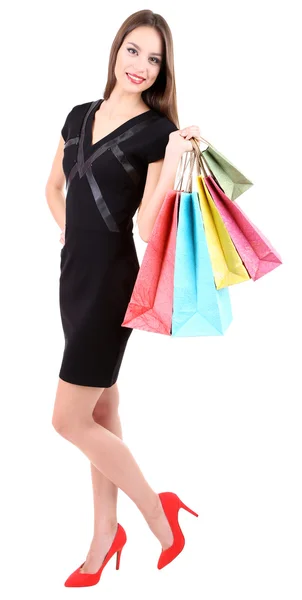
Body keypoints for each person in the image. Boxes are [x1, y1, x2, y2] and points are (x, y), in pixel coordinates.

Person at [45, 8, 202, 587]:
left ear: (163, 71)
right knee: (102, 412)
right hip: (73, 279)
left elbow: (143, 224)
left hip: (112, 284)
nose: (140, 65)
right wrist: (70, 238)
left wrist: (177, 161)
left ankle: (157, 509)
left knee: (66, 419)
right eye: (133, 50)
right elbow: (52, 187)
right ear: (116, 51)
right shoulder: (77, 115)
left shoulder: (157, 133)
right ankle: (105, 531)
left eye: (154, 58)